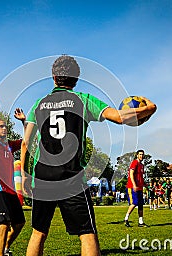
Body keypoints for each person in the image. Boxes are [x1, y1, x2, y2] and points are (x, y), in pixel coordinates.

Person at [21, 55, 157, 256]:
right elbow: (119, 117)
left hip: (42, 177)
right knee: (87, 233)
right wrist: (150, 108)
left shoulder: (39, 104)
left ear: (53, 77)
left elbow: (25, 143)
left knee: (38, 233)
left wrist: (24, 175)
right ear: (76, 79)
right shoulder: (82, 100)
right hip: (71, 176)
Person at [0, 94, 26, 256]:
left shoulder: (9, 145)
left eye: (5, 126)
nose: (4, 128)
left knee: (20, 223)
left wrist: (23, 121)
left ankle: (5, 248)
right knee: (4, 223)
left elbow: (25, 141)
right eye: (1, 126)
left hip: (10, 191)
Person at [124, 150, 148, 227]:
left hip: (140, 188)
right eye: (140, 154)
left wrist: (145, 184)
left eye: (142, 154)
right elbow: (131, 174)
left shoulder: (142, 165)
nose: (141, 156)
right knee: (135, 203)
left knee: (141, 205)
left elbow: (140, 177)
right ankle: (126, 219)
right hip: (132, 187)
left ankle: (140, 222)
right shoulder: (135, 162)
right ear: (137, 155)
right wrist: (134, 185)